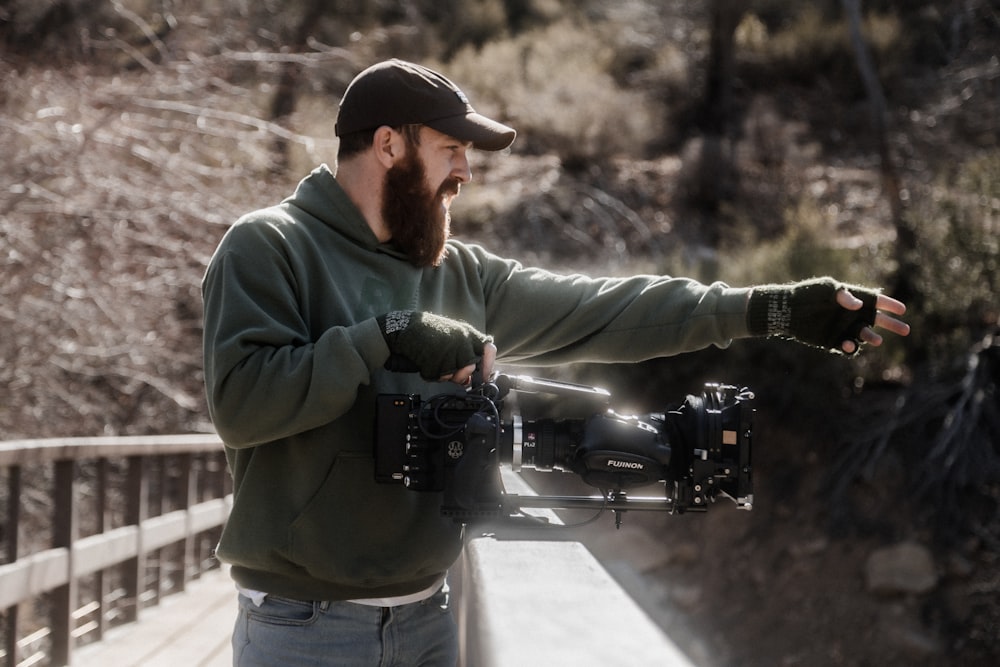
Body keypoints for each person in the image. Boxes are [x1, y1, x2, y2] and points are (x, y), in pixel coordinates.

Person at [201, 58, 910, 666]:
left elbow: (606, 308)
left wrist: (769, 309)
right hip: (306, 630)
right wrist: (384, 335)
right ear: (389, 144)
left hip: (427, 618)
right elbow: (240, 405)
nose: (466, 172)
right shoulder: (268, 247)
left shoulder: (458, 271)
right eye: (451, 148)